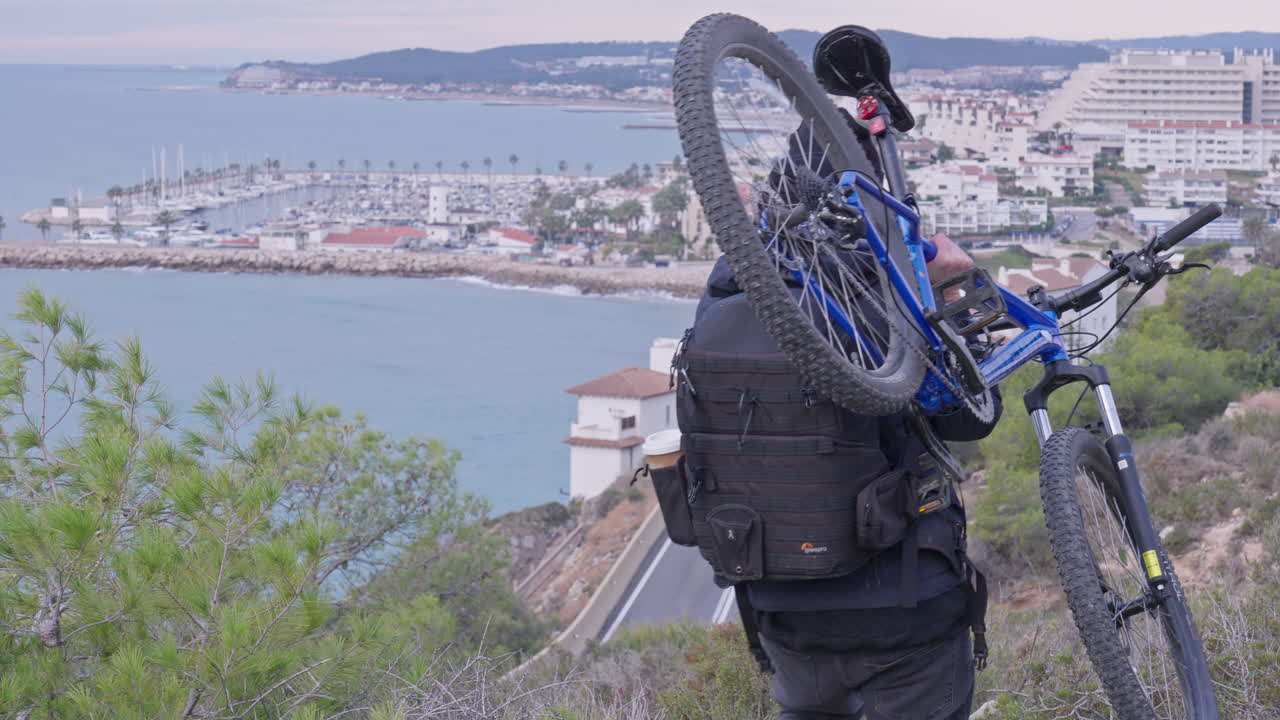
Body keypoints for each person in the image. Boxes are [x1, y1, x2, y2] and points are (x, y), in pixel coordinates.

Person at [676, 27, 1002, 720]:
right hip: (906, 609)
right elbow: (972, 415)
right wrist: (956, 292)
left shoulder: (731, 284)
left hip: (784, 611)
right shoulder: (890, 290)